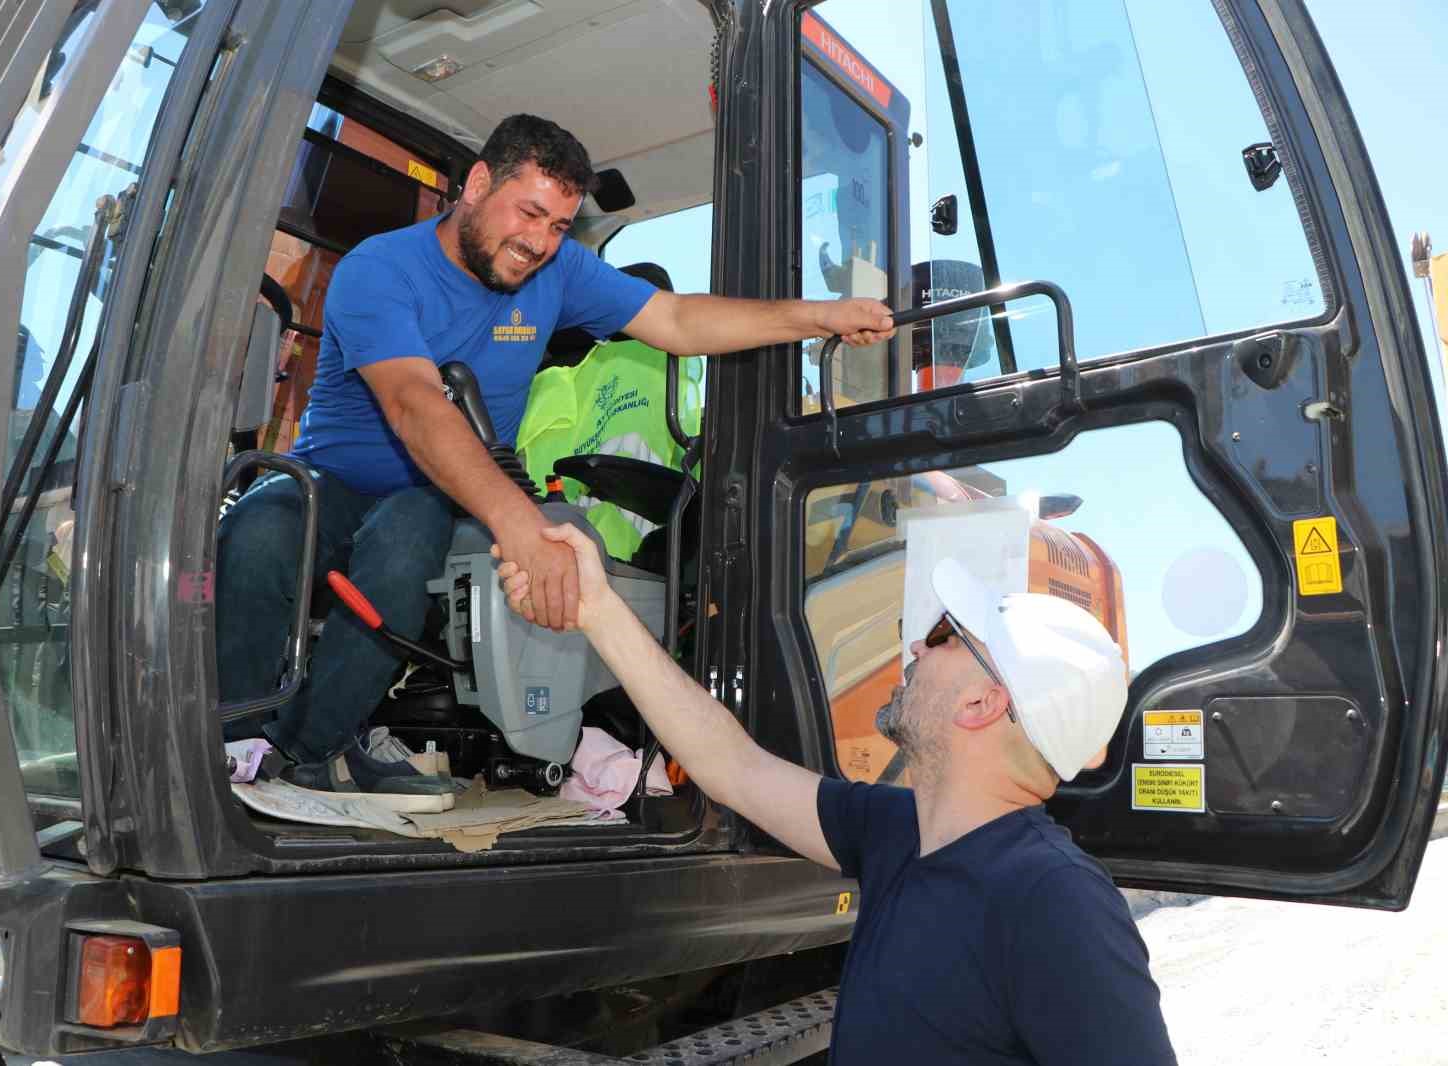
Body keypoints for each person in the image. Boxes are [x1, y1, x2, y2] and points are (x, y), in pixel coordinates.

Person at [216, 113, 894, 792]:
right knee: (261, 525)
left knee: (408, 534)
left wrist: (814, 317)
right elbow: (414, 404)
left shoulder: (559, 271)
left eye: (560, 226)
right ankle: (230, 742)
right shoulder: (381, 268)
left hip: (436, 496)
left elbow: (676, 319)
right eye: (530, 213)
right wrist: (519, 523)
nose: (539, 242)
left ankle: (303, 754)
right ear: (477, 184)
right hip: (330, 479)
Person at [495, 531, 1177, 1065]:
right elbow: (733, 766)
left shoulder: (1055, 901)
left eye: (946, 637)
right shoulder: (898, 832)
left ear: (981, 703)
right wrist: (598, 610)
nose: (917, 645)